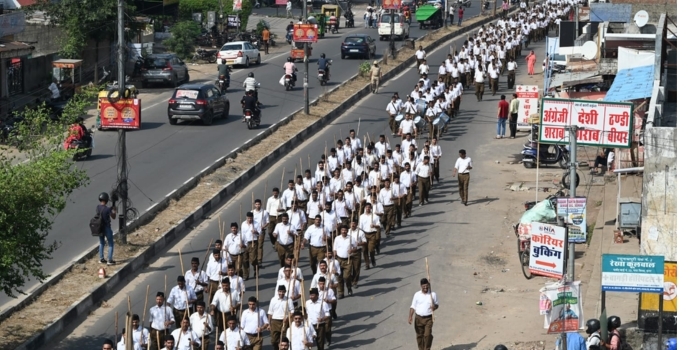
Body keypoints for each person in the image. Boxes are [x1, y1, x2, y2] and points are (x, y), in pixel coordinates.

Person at [408, 278, 438, 350]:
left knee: (427, 335)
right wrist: (410, 316)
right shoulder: (417, 295)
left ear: (428, 285)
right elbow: (413, 306)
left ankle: (427, 348)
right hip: (418, 318)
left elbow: (437, 304)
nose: (425, 288)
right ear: (421, 286)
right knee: (419, 336)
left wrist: (434, 307)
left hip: (428, 318)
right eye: (423, 286)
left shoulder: (432, 295)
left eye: (426, 286)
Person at [96, 192, 117, 265]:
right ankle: (110, 260)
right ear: (106, 200)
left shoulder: (98, 207)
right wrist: (114, 210)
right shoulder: (108, 209)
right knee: (110, 243)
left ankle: (101, 258)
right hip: (107, 228)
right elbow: (113, 217)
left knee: (102, 242)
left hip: (100, 227)